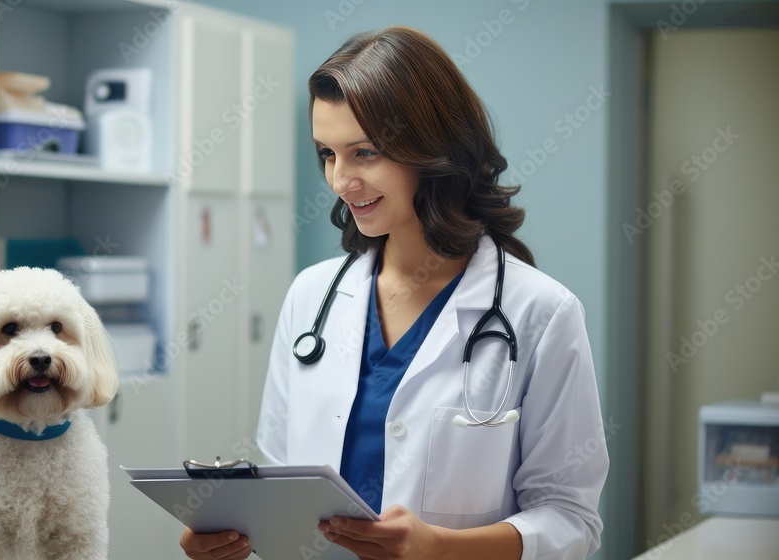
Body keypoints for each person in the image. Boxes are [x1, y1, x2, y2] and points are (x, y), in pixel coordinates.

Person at [180, 26, 607, 560]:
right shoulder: (311, 296)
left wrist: (441, 549)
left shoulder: (541, 312)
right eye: (327, 154)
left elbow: (571, 521)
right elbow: (280, 483)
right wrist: (232, 535)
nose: (339, 180)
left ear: (433, 148)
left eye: (364, 153)